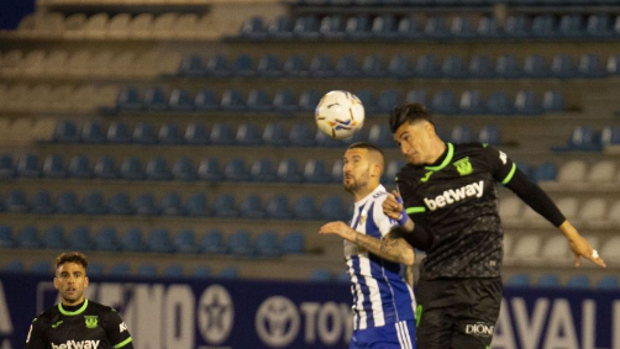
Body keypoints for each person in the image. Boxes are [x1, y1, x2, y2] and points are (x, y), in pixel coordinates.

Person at [382, 103, 606, 349]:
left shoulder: (481, 156)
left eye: (407, 138)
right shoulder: (408, 178)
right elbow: (425, 241)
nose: (404, 149)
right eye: (398, 143)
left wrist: (571, 234)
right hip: (436, 287)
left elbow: (528, 190)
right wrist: (404, 221)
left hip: (481, 287)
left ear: (429, 129)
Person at [319, 142, 418, 349]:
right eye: (345, 162)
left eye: (356, 161)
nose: (347, 167)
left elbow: (406, 254)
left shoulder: (381, 204)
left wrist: (351, 234)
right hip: (364, 328)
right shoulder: (360, 210)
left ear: (375, 170)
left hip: (390, 325)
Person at [24, 252, 134, 349]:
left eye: (77, 275)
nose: (71, 281)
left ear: (85, 281)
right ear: (56, 283)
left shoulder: (107, 316)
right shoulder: (42, 322)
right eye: (64, 275)